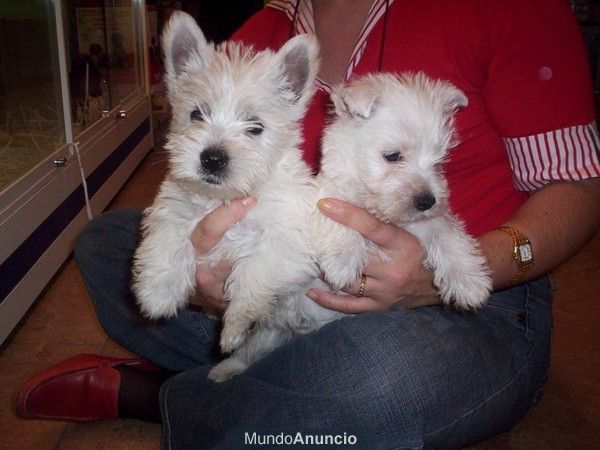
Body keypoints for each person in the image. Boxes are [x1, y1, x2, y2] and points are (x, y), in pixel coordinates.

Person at [17, 1, 600, 448]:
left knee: (378, 382)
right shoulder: (263, 34)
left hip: (475, 294)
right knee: (105, 244)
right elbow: (222, 184)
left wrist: (487, 263)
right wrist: (205, 275)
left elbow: (580, 185)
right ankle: (274, 383)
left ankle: (166, 397)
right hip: (299, 281)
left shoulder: (508, 8)